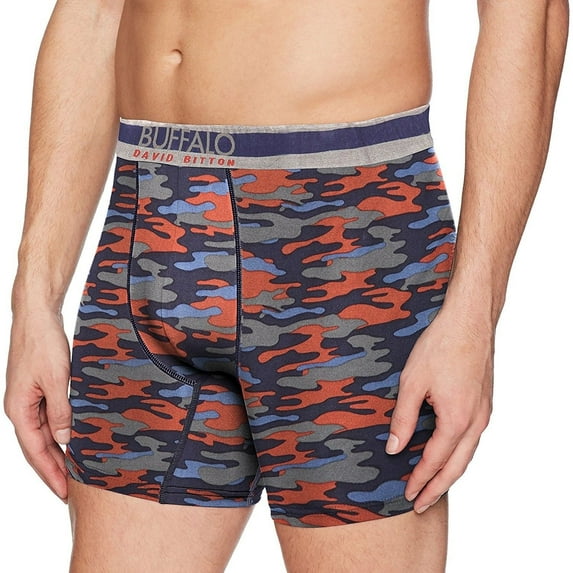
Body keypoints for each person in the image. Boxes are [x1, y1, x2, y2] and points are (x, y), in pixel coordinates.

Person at [4, 1, 568, 571]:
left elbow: (530, 12)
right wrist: (34, 297)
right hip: (147, 228)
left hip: (345, 248)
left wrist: (474, 315)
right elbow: (94, 11)